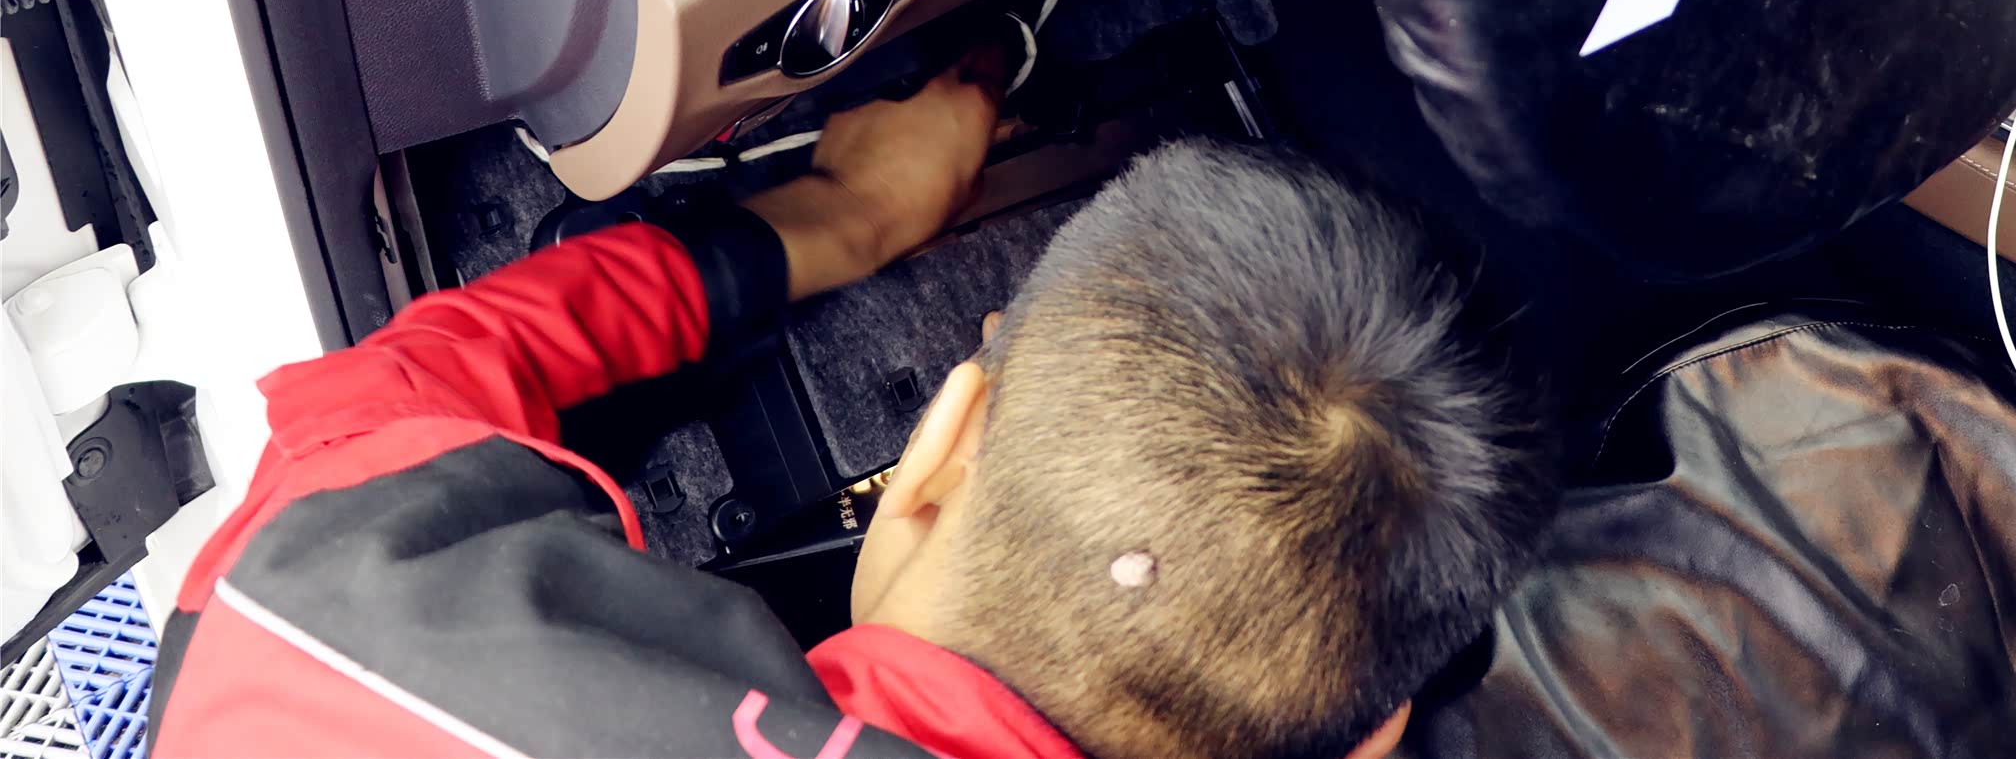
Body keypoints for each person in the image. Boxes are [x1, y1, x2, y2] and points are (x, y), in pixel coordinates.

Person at [150, 46, 1554, 759]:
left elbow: (392, 389)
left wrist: (846, 212)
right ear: (1372, 737)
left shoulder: (343, 614)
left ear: (938, 446)